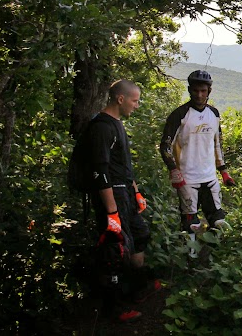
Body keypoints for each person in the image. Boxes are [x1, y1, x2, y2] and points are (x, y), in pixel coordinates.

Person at [88, 79, 159, 323]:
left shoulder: (116, 125)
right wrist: (112, 213)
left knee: (139, 235)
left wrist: (136, 192)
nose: (137, 105)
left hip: (125, 193)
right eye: (135, 100)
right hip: (113, 198)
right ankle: (114, 309)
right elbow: (100, 172)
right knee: (115, 249)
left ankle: (138, 290)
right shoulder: (101, 128)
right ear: (121, 99)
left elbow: (122, 166)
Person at [160, 70, 235, 237]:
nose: (199, 95)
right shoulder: (179, 115)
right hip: (187, 179)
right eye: (195, 90)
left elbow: (217, 144)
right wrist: (173, 170)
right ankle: (190, 260)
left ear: (209, 91)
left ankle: (213, 260)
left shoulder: (214, 114)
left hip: (210, 178)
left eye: (203, 91)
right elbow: (165, 146)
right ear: (189, 90)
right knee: (190, 225)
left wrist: (223, 171)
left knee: (218, 221)